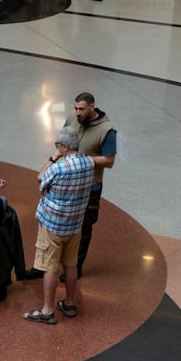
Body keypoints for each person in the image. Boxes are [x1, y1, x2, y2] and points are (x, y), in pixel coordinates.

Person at [24, 127, 95, 325]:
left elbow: (40, 177)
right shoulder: (89, 163)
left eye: (58, 145)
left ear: (63, 146)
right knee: (70, 265)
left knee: (50, 268)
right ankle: (70, 303)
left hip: (53, 224)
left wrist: (54, 157)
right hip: (75, 224)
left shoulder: (59, 167)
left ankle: (47, 310)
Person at [69, 92, 117, 273]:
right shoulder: (73, 119)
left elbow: (109, 161)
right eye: (75, 108)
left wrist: (84, 160)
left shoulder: (107, 131)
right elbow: (63, 141)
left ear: (92, 106)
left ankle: (76, 267)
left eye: (81, 109)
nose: (77, 113)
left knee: (84, 227)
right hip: (69, 181)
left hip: (90, 187)